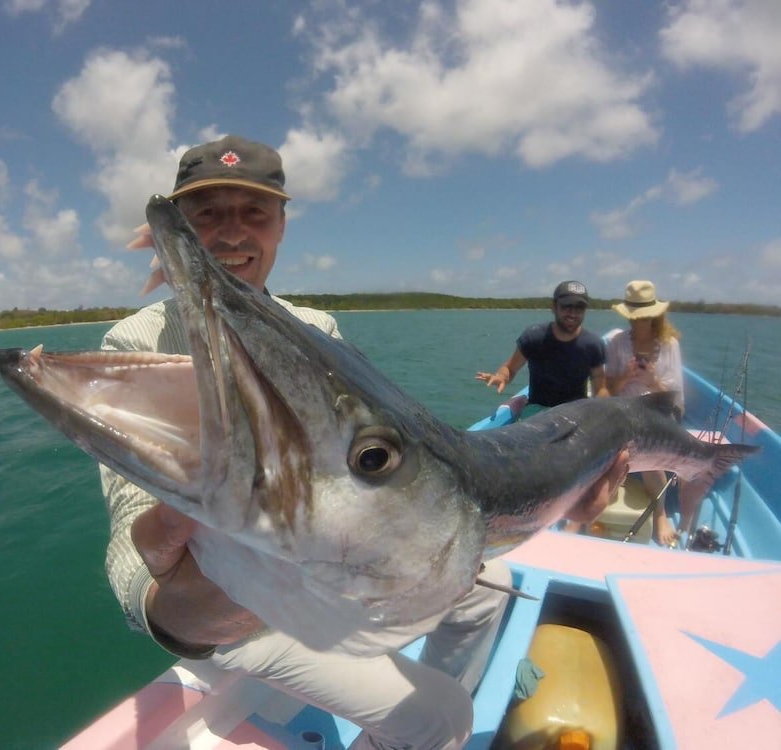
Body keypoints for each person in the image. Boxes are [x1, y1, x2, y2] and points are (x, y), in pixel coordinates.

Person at [98, 135, 631, 750]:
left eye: (254, 212)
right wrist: (168, 609)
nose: (232, 233)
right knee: (445, 718)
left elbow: (396, 460)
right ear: (183, 225)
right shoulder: (132, 345)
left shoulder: (318, 328)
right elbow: (131, 545)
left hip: (348, 577)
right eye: (208, 212)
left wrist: (554, 510)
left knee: (486, 599)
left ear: (281, 225)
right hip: (247, 619)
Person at [606, 280, 685, 546]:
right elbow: (609, 389)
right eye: (635, 317)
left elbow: (674, 396)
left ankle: (661, 514)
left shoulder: (669, 344)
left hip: (657, 410)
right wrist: (626, 376)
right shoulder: (617, 342)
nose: (639, 322)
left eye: (644, 317)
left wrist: (652, 380)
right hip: (625, 410)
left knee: (651, 453)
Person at [476, 281, 609, 413]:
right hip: (537, 411)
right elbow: (510, 368)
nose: (572, 314)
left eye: (579, 308)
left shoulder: (593, 344)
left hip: (575, 413)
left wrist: (604, 408)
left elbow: (599, 384)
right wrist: (501, 376)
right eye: (566, 307)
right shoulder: (534, 337)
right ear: (553, 307)